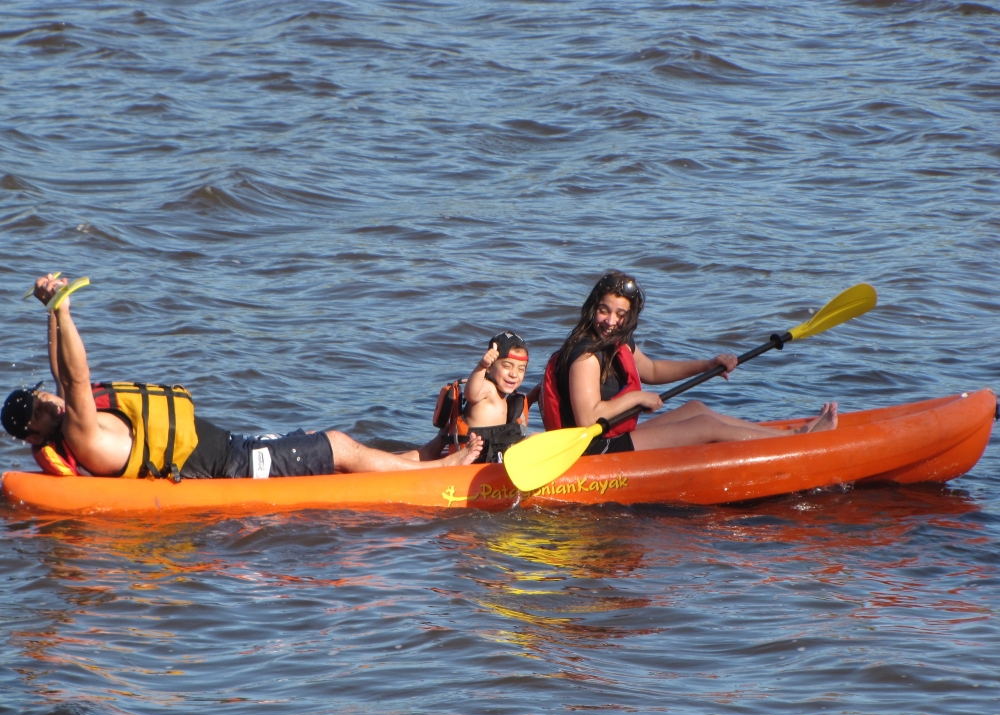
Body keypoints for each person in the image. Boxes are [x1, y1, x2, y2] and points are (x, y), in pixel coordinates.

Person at [1, 274, 482, 479]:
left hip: (230, 450)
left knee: (337, 447)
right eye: (43, 411)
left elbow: (62, 375)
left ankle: (419, 458)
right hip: (230, 467)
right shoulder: (81, 431)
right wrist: (64, 310)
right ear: (33, 436)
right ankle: (439, 472)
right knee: (336, 445)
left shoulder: (70, 418)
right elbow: (77, 381)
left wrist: (51, 312)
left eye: (46, 398)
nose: (53, 404)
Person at [539, 270, 837, 455]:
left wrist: (707, 364)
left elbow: (652, 370)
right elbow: (589, 419)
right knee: (705, 427)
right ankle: (796, 449)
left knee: (696, 409)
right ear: (593, 309)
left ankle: (795, 437)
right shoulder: (586, 356)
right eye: (605, 311)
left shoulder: (617, 342)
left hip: (613, 438)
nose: (611, 321)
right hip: (592, 451)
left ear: (630, 317)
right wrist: (637, 397)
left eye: (620, 314)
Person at [419, 331, 535, 464]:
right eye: (507, 366)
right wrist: (482, 365)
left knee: (535, 438)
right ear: (490, 368)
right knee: (535, 438)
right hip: (477, 459)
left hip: (494, 455)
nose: (514, 374)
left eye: (521, 369)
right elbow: (471, 393)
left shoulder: (502, 396)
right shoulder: (487, 388)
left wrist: (533, 396)